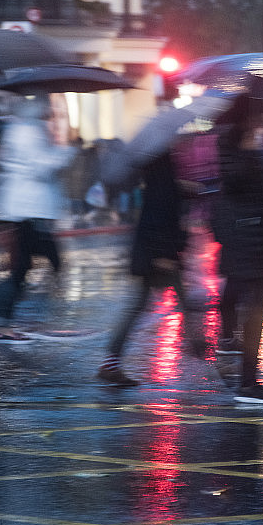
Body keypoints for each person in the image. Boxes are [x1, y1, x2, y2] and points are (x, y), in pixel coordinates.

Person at [97, 91, 232, 386]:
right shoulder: (161, 166)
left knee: (148, 303)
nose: (182, 136)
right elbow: (159, 210)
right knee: (178, 303)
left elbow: (165, 197)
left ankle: (113, 362)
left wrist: (186, 189)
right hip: (158, 249)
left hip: (157, 247)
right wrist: (163, 254)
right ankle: (209, 358)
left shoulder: (159, 164)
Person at [213, 96, 263, 404]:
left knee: (253, 304)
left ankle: (246, 377)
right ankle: (247, 383)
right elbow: (241, 183)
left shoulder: (246, 146)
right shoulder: (236, 148)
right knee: (255, 309)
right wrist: (256, 152)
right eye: (261, 116)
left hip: (259, 238)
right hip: (250, 238)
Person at [0, 94, 75, 342]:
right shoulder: (28, 131)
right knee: (50, 262)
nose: (51, 108)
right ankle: (25, 320)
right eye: (48, 103)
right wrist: (65, 152)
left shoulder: (22, 129)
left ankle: (9, 322)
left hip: (24, 209)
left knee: (24, 266)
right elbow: (41, 168)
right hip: (28, 210)